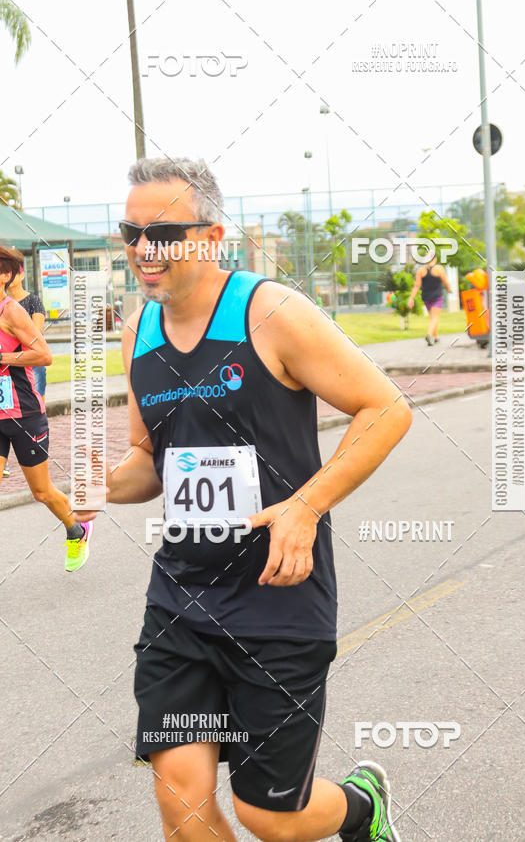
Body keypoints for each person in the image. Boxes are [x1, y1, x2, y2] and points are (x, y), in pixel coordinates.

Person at [74, 157, 412, 842]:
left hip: (278, 602)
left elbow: (386, 408)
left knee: (270, 818)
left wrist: (306, 506)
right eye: (130, 232)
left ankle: (362, 808)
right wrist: (108, 482)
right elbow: (152, 459)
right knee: (183, 807)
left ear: (211, 236)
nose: (143, 249)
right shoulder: (139, 331)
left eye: (162, 232)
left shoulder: (273, 313)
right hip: (181, 603)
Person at [0, 245, 93, 571]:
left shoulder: (12, 312)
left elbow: (44, 355)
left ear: (5, 276)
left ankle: (76, 530)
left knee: (41, 491)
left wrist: (4, 358)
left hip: (24, 413)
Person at [3, 260, 47, 477]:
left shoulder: (22, 306)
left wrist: (4, 357)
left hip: (23, 404)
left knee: (42, 493)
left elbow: (41, 351)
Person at [407, 250, 452, 345]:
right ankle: (429, 335)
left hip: (426, 297)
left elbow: (416, 286)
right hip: (437, 297)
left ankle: (436, 337)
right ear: (435, 258)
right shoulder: (439, 269)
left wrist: (411, 298)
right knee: (435, 318)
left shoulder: (421, 271)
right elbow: (446, 282)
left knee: (432, 318)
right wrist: (449, 289)